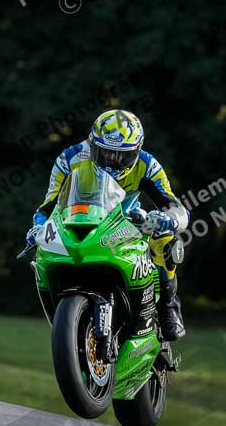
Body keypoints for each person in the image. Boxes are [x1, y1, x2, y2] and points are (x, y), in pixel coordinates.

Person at [26, 109, 189, 340]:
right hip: (80, 220)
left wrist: (169, 220)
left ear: (136, 150)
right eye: (104, 152)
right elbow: (47, 205)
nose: (112, 160)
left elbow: (177, 208)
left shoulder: (148, 165)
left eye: (121, 155)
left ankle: (168, 305)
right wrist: (37, 228)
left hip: (128, 223)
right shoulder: (70, 158)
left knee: (164, 239)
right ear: (92, 144)